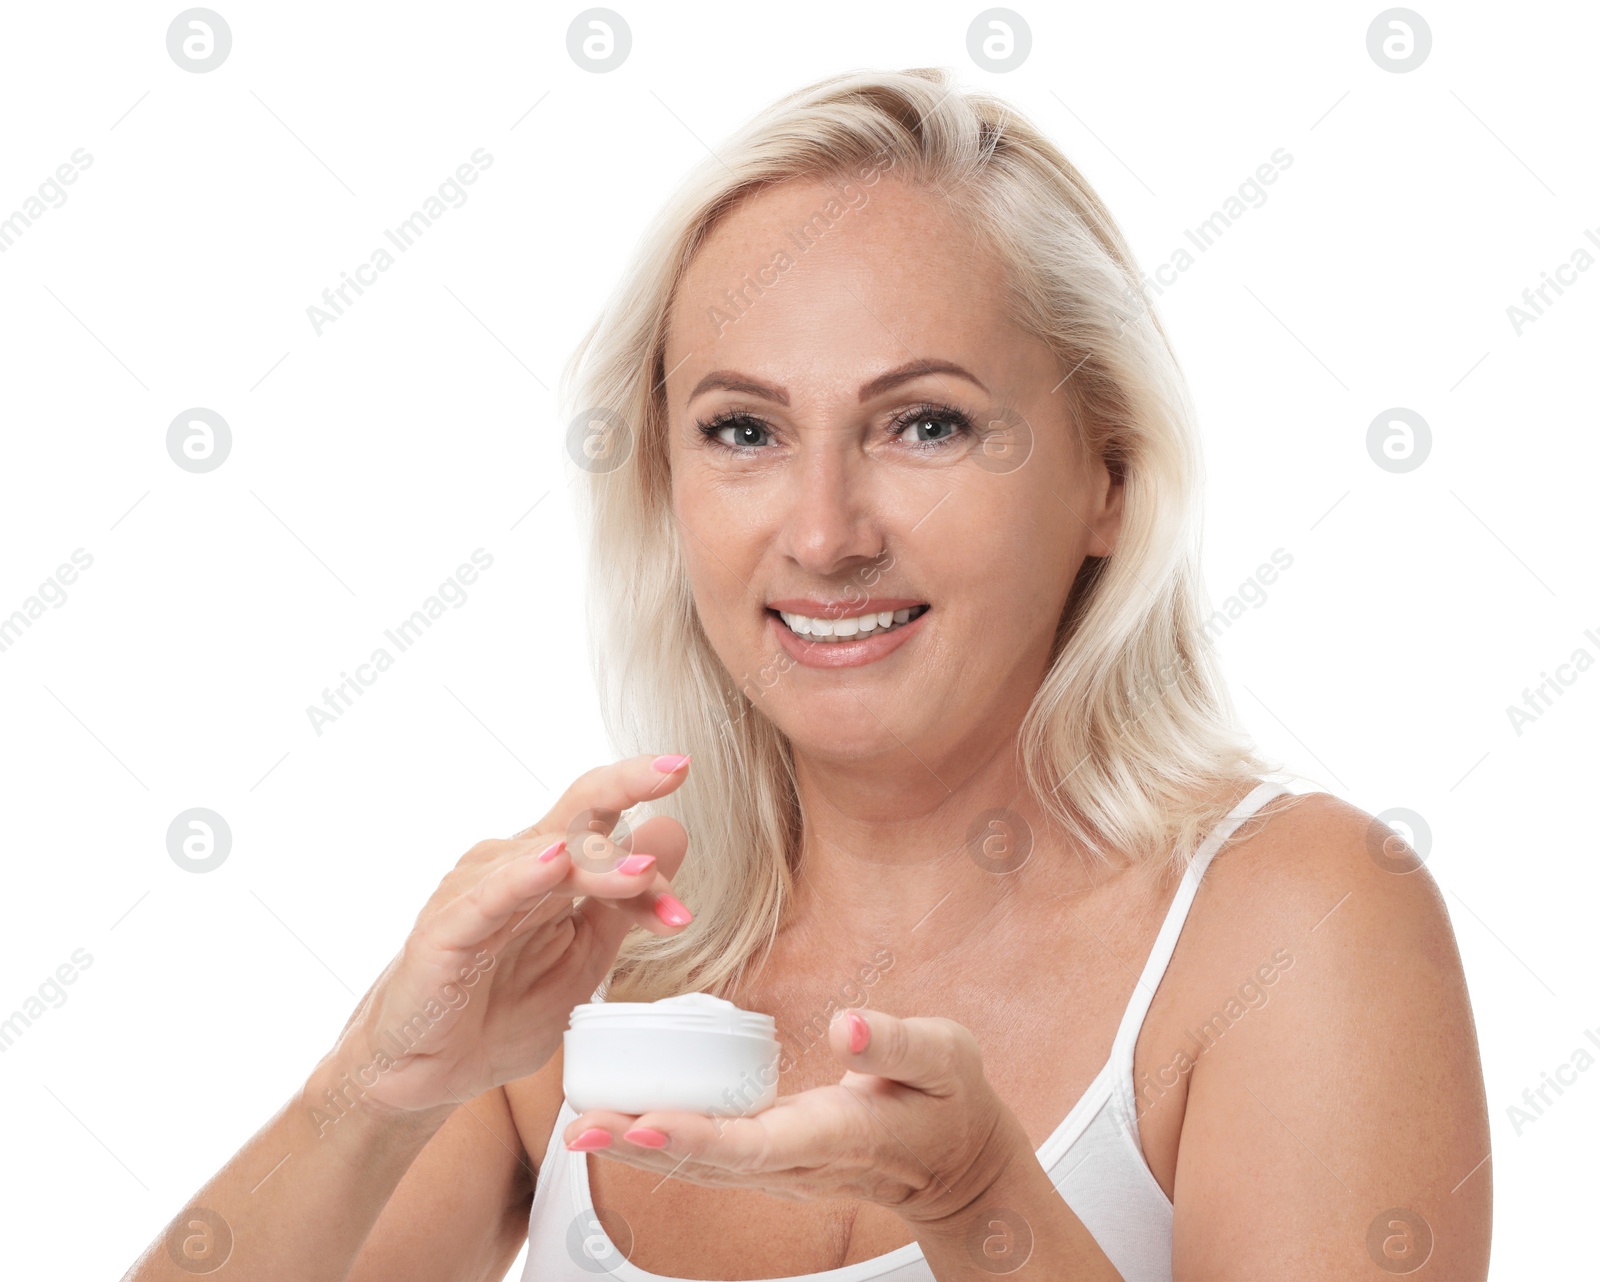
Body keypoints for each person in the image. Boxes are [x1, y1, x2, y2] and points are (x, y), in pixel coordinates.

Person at [124, 66, 1491, 1281]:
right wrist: (376, 1084)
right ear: (665, 487)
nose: (827, 532)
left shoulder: (1296, 925)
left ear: (1110, 481)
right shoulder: (588, 973)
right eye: (744, 430)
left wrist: (980, 1202)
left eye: (927, 422)